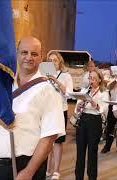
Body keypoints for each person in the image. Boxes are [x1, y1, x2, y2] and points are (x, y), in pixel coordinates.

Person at [0, 36, 66, 180]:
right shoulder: (2, 84)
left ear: (40, 58)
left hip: (25, 169)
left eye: (34, 54)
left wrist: (28, 172)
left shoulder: (49, 90)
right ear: (17, 53)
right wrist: (1, 117)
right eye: (24, 52)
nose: (29, 57)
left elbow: (48, 137)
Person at [74, 69, 109, 180]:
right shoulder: (84, 90)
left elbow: (105, 110)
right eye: (90, 78)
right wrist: (78, 107)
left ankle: (92, 177)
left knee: (92, 152)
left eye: (94, 78)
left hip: (95, 121)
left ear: (99, 80)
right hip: (83, 120)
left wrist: (96, 105)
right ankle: (78, 177)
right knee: (80, 152)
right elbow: (76, 110)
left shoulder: (104, 92)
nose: (91, 81)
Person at [46, 51, 73, 180]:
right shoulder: (43, 74)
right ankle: (46, 168)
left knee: (57, 142)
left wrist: (55, 80)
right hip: (46, 111)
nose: (52, 63)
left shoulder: (66, 75)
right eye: (50, 60)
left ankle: (56, 170)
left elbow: (69, 94)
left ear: (60, 62)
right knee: (46, 141)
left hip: (60, 110)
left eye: (55, 60)